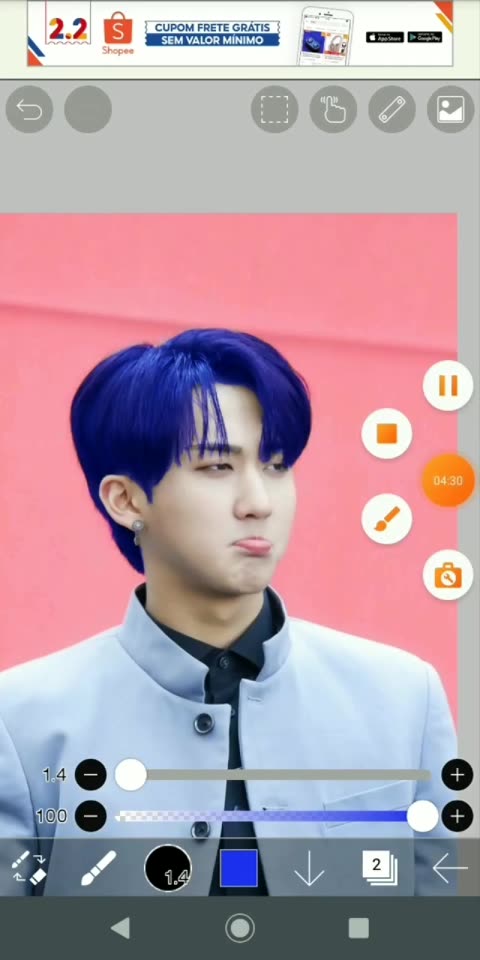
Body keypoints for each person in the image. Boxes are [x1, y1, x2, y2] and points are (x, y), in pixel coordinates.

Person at [0, 328, 457, 897]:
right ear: (126, 499)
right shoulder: (21, 723)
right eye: (218, 467)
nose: (259, 502)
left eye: (276, 465)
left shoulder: (404, 697)